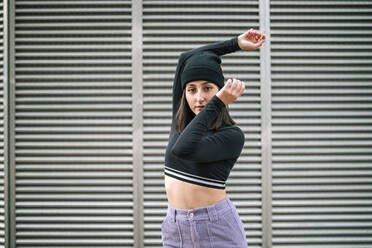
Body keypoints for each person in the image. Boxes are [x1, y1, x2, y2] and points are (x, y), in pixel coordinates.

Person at [162, 28, 266, 248]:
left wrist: (218, 102)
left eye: (208, 88)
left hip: (215, 228)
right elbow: (185, 58)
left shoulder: (232, 136)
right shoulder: (179, 122)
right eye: (191, 89)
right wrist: (235, 43)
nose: (198, 97)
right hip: (175, 229)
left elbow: (183, 150)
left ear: (221, 91)